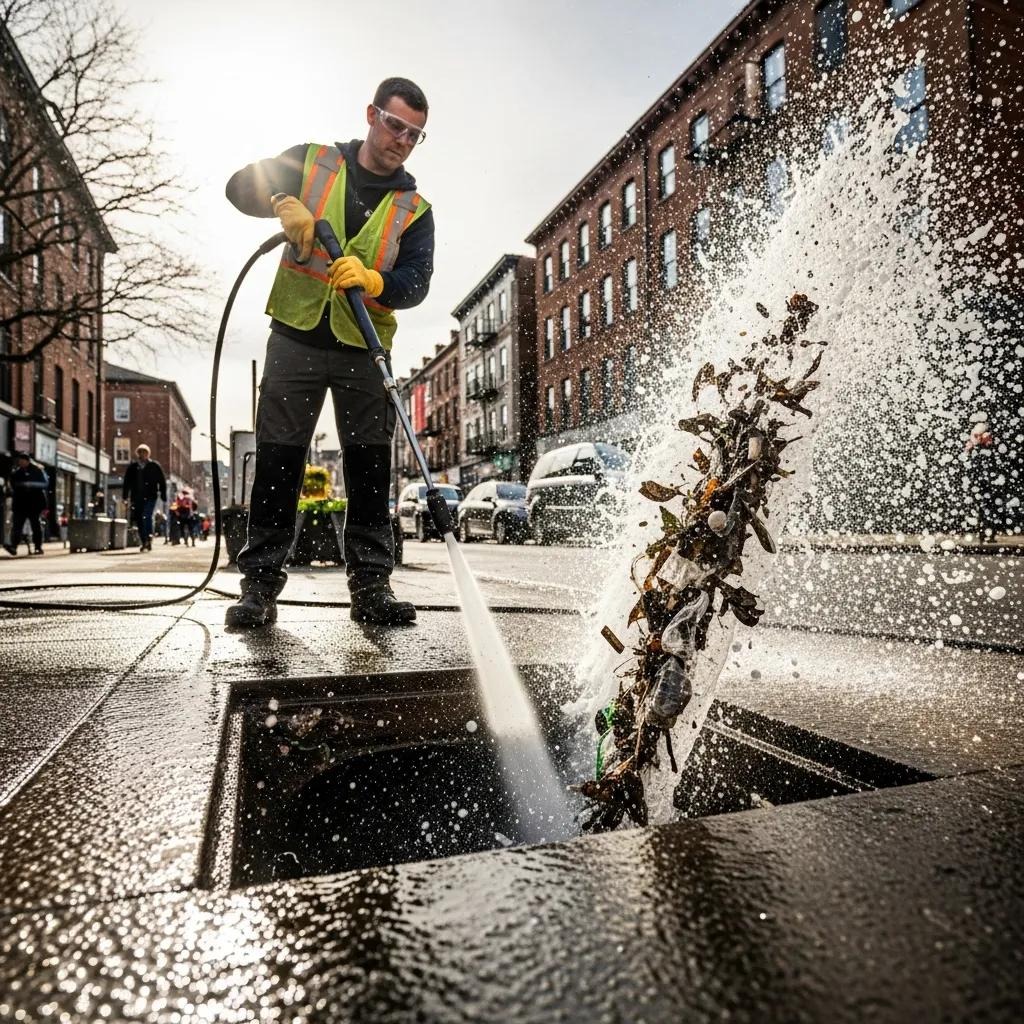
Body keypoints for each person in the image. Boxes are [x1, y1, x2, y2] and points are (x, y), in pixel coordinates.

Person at [223, 77, 434, 629]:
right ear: (371, 115)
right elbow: (235, 187)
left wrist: (375, 280)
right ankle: (259, 588)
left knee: (369, 467)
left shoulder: (415, 208)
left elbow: (417, 282)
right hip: (295, 335)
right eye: (395, 125)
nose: (402, 140)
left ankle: (371, 588)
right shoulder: (312, 162)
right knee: (278, 460)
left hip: (365, 347)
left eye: (415, 135)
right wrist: (280, 201)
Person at [123, 443, 167, 552]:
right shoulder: (133, 467)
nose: (143, 455)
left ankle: (149, 536)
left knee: (146, 515)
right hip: (137, 497)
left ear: (148, 454)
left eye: (145, 452)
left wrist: (163, 494)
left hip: (150, 496)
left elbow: (162, 481)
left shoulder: (154, 466)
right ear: (138, 454)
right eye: (141, 452)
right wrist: (125, 496)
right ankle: (144, 541)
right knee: (139, 519)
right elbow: (126, 482)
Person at [4, 452, 48, 556]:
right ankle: (14, 547)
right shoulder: (17, 472)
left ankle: (38, 547)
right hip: (21, 504)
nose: (20, 462)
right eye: (19, 461)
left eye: (22, 460)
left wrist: (28, 485)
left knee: (35, 526)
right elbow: (12, 485)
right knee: (17, 526)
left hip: (34, 504)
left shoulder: (37, 471)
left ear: (27, 461)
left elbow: (44, 484)